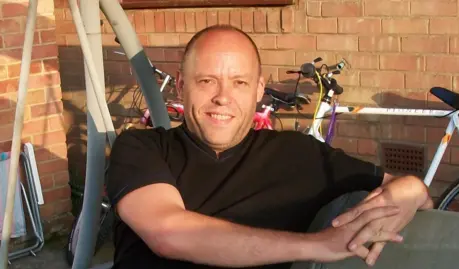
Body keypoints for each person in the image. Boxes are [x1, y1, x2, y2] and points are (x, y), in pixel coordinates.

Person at [105, 25, 433, 269]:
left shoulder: (299, 155)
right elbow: (169, 233)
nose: (222, 96)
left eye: (240, 82)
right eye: (207, 81)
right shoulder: (140, 148)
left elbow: (406, 188)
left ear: (259, 89)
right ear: (180, 85)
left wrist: (409, 191)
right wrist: (318, 246)